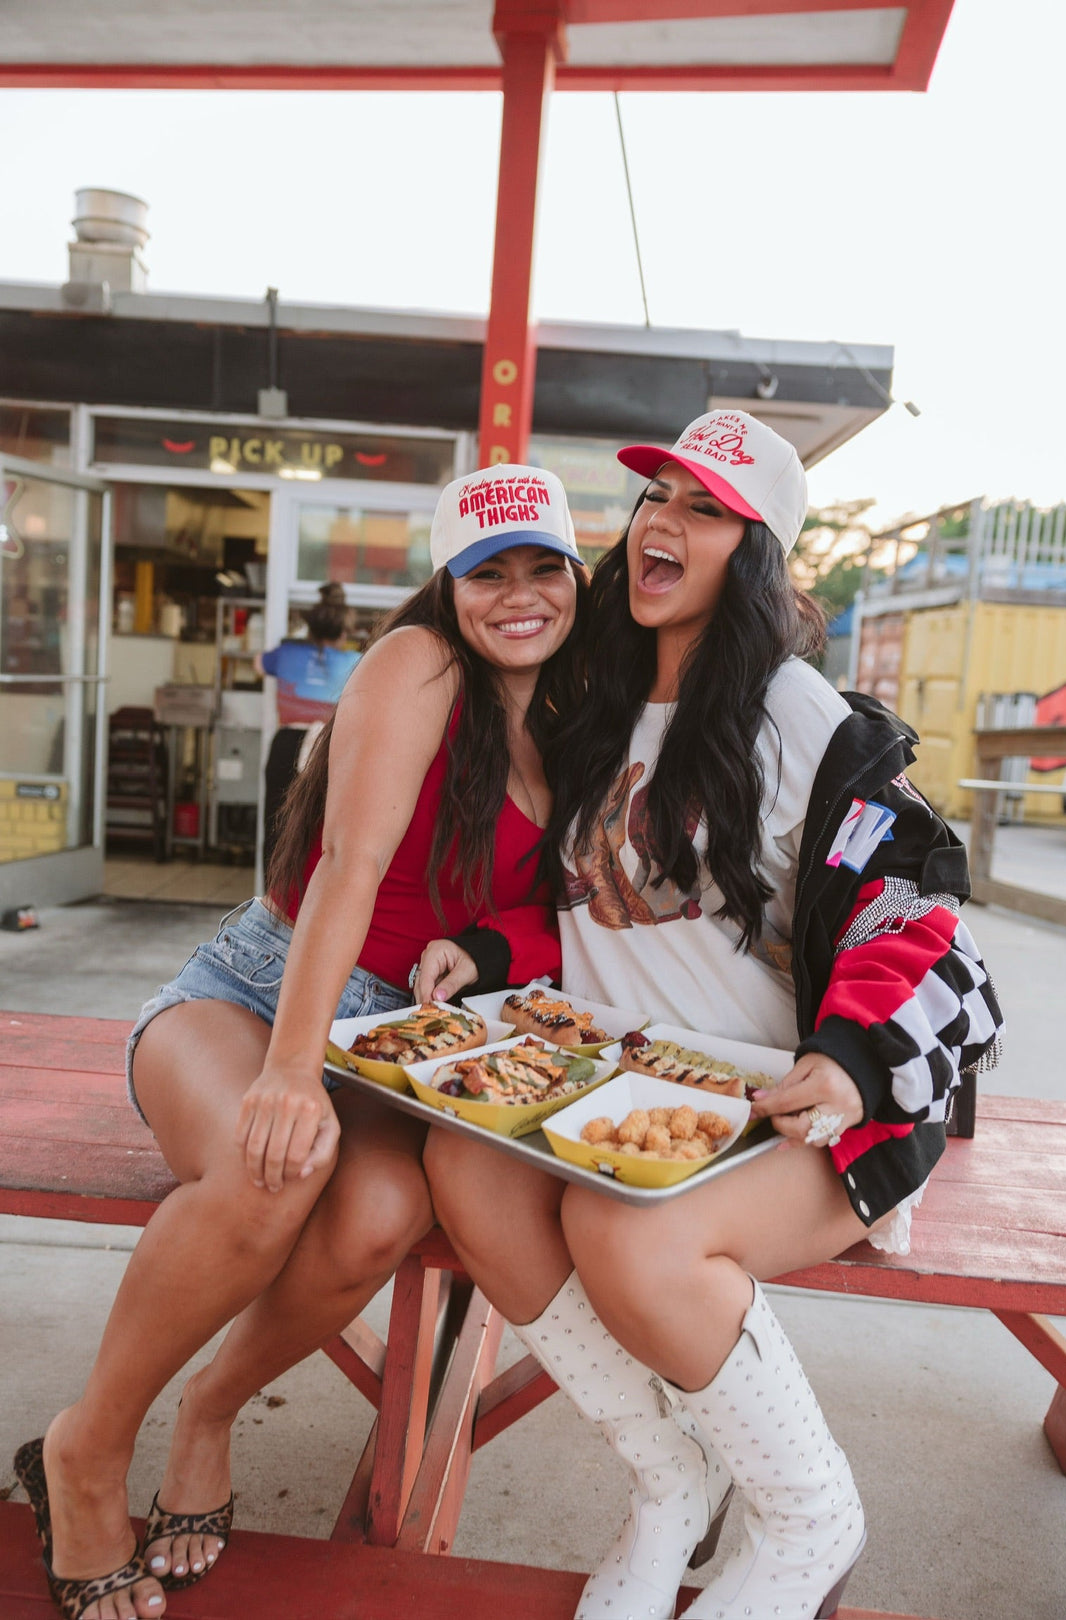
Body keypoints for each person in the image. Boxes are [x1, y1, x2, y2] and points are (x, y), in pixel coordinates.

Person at [420, 410, 1004, 1620]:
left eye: (700, 507)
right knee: (464, 1170)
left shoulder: (799, 716)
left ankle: (805, 1513)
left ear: (755, 552)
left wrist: (851, 1057)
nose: (657, 525)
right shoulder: (592, 698)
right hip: (610, 1084)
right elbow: (572, 898)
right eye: (652, 499)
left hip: (782, 1104)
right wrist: (485, 947)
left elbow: (924, 914)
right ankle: (669, 1479)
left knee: (630, 1234)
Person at [13, 463, 588, 1620]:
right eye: (488, 574)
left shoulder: (584, 713)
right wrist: (286, 1067)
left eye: (543, 568)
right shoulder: (418, 665)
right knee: (276, 1160)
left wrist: (483, 947)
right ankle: (83, 1454)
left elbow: (577, 905)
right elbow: (350, 867)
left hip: (396, 1038)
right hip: (259, 992)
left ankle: (210, 1414)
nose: (517, 596)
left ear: (578, 578)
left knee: (383, 1212)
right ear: (449, 584)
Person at [256, 580, 360, 870]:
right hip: (329, 747)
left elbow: (257, 664)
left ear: (311, 627)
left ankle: (273, 902)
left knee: (277, 826)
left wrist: (300, 641)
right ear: (343, 632)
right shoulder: (356, 660)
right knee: (321, 830)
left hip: (286, 744)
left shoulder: (286, 654)